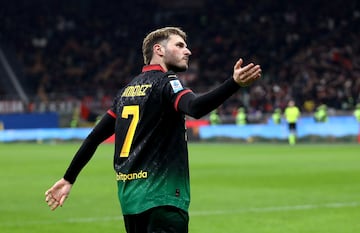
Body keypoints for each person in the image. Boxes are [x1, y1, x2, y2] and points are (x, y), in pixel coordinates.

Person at [44, 27, 262, 233]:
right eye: (179, 45)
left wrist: (68, 178)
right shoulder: (167, 83)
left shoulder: (125, 92)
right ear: (158, 50)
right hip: (163, 198)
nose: (188, 51)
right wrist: (233, 83)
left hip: (130, 202)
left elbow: (94, 138)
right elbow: (195, 107)